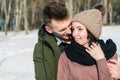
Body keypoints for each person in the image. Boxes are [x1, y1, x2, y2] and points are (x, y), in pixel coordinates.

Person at [57, 9, 118, 80]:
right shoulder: (67, 55)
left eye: (80, 29)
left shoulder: (109, 52)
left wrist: (100, 59)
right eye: (73, 29)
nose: (74, 34)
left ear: (91, 32)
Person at [33, 2, 71, 80]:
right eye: (62, 29)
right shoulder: (42, 49)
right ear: (49, 29)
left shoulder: (81, 35)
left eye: (69, 25)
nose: (70, 31)